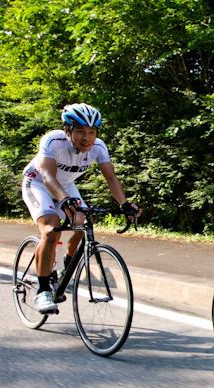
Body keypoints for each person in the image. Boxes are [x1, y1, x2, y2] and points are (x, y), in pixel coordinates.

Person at [21, 103, 142, 314]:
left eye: (91, 132)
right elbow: (48, 176)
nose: (86, 138)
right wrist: (64, 199)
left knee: (84, 222)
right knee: (51, 230)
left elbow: (111, 177)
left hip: (66, 186)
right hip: (39, 184)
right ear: (67, 130)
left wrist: (124, 204)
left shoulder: (99, 147)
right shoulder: (53, 141)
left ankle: (67, 266)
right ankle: (42, 290)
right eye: (79, 132)